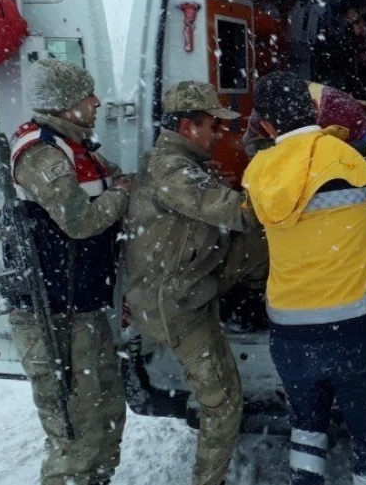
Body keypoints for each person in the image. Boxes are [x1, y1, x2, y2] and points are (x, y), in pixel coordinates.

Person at [242, 72, 366, 485]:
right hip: (353, 330)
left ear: (269, 125)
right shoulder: (352, 155)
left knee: (308, 424)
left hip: (290, 334)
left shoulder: (258, 172)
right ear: (312, 109)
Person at [124, 81, 268, 485]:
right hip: (176, 303)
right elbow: (239, 211)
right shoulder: (173, 170)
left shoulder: (178, 162)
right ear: (188, 128)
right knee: (223, 402)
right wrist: (288, 181)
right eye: (213, 126)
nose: (219, 134)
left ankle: (255, 304)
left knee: (256, 241)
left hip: (193, 280)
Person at [9, 58, 131, 485]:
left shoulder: (75, 145)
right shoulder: (42, 152)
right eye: (87, 96)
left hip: (82, 308)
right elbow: (79, 221)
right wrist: (119, 196)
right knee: (76, 433)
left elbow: (115, 181)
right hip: (54, 317)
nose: (97, 102)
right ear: (63, 105)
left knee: (106, 416)